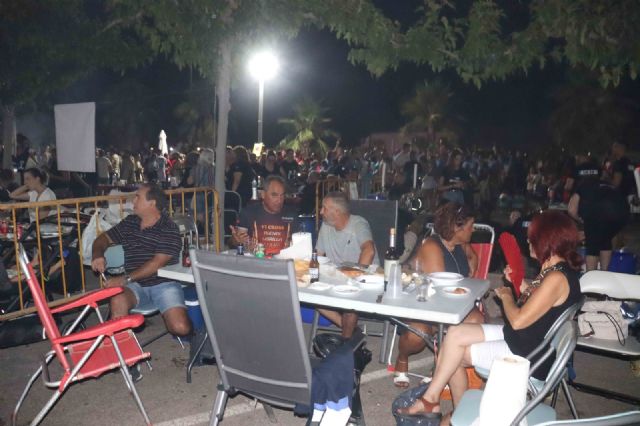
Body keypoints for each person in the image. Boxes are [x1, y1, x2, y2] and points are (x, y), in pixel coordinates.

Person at [396, 210, 582, 423]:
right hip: (524, 339)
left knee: (452, 353)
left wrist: (506, 296)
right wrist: (520, 283)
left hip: (527, 354)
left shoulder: (557, 277)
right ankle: (435, 401)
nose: (528, 241)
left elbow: (519, 319)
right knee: (454, 335)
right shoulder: (556, 270)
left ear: (546, 240)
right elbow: (543, 300)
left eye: (533, 237)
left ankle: (454, 410)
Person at [393, 202, 482, 388]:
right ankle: (402, 357)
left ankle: (440, 367)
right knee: (418, 336)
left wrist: (472, 263)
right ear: (456, 228)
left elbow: (473, 256)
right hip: (424, 304)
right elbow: (439, 296)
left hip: (452, 303)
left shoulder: (459, 243)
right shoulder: (433, 246)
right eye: (470, 226)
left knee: (477, 321)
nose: (473, 230)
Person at [91, 183, 191, 339]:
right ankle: (122, 352)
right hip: (135, 285)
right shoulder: (130, 222)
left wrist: (124, 278)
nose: (133, 201)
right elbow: (102, 239)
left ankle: (197, 331)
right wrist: (97, 255)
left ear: (152, 203)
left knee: (180, 328)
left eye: (138, 197)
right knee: (118, 299)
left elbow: (157, 263)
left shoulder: (168, 227)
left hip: (163, 284)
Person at [316, 192, 378, 338]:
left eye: (324, 208)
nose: (320, 212)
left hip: (366, 277)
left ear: (336, 212)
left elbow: (369, 251)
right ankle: (351, 329)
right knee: (311, 293)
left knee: (350, 304)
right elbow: (317, 256)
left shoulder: (358, 224)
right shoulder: (326, 226)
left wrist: (354, 281)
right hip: (338, 277)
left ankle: (346, 343)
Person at [568, 159, 629, 271]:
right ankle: (604, 273)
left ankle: (591, 276)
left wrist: (582, 220)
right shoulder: (607, 184)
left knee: (592, 244)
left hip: (599, 212)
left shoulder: (582, 184)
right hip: (622, 213)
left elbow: (571, 209)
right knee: (605, 239)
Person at [229, 175, 297, 256]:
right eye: (274, 195)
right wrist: (236, 240)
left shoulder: (291, 214)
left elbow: (299, 245)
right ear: (263, 195)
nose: (279, 200)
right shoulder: (249, 213)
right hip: (256, 262)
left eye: (282, 195)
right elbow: (234, 242)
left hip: (283, 262)